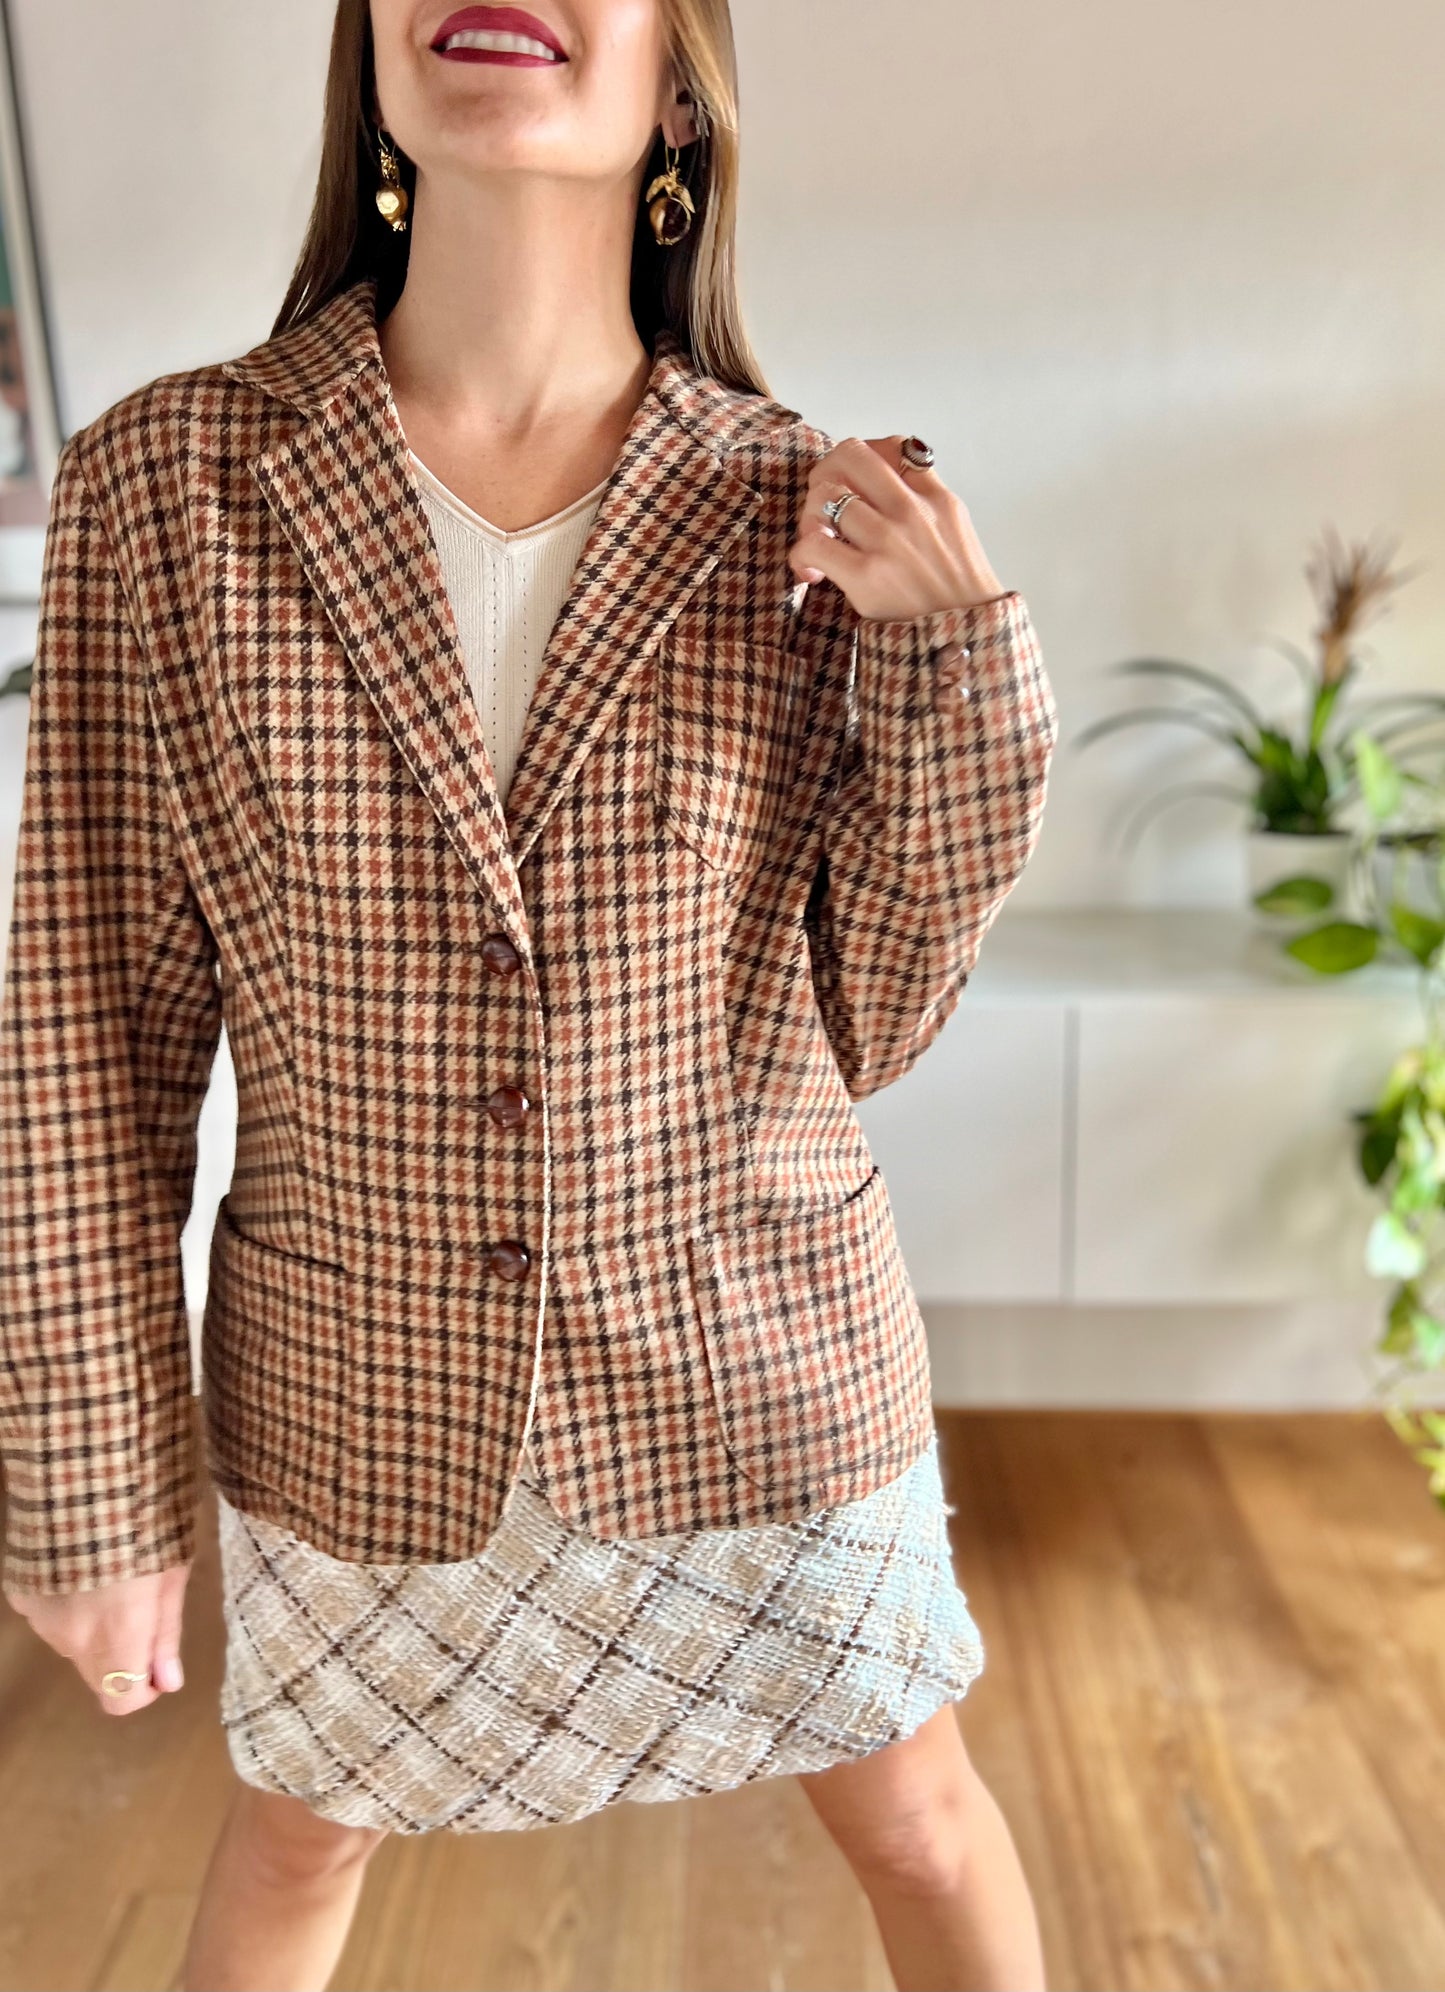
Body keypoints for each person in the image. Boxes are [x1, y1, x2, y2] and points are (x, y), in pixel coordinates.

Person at [0, 1, 1059, 1986]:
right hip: (361, 1399)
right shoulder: (172, 486)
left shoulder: (801, 515)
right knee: (300, 1847)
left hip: (765, 1370)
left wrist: (957, 667)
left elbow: (878, 1021)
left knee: (919, 1816)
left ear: (681, 83)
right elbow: (79, 1039)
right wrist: (83, 1480)